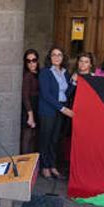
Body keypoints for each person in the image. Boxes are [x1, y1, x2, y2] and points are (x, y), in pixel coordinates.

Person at [38, 47, 74, 179]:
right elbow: (46, 95)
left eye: (59, 55)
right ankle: (44, 166)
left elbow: (66, 93)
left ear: (63, 57)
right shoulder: (45, 72)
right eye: (54, 55)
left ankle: (53, 165)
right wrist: (63, 109)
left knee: (55, 139)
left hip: (60, 110)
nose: (57, 57)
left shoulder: (65, 73)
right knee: (45, 139)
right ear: (50, 57)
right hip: (48, 110)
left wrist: (74, 83)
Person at [21, 49, 40, 153]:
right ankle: (25, 165)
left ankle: (32, 166)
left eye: (34, 60)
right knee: (27, 138)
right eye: (28, 61)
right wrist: (30, 115)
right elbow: (25, 96)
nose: (32, 63)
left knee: (33, 137)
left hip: (37, 106)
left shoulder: (38, 73)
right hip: (29, 108)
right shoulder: (27, 75)